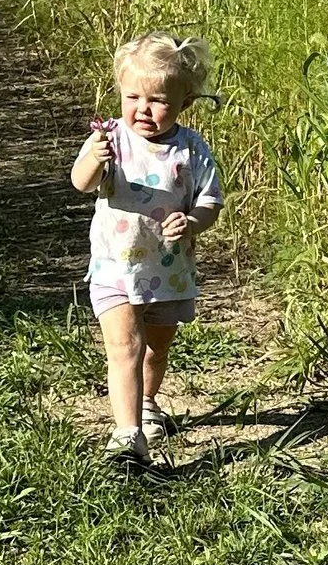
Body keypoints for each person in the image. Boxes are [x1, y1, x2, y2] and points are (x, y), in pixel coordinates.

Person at [71, 33, 222, 468]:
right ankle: (128, 436)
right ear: (119, 91)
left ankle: (149, 402)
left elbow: (210, 201)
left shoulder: (191, 149)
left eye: (157, 101)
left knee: (156, 348)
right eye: (132, 96)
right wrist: (95, 159)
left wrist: (192, 222)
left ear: (185, 102)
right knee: (125, 348)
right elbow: (81, 182)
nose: (143, 109)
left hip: (168, 268)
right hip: (114, 265)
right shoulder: (109, 139)